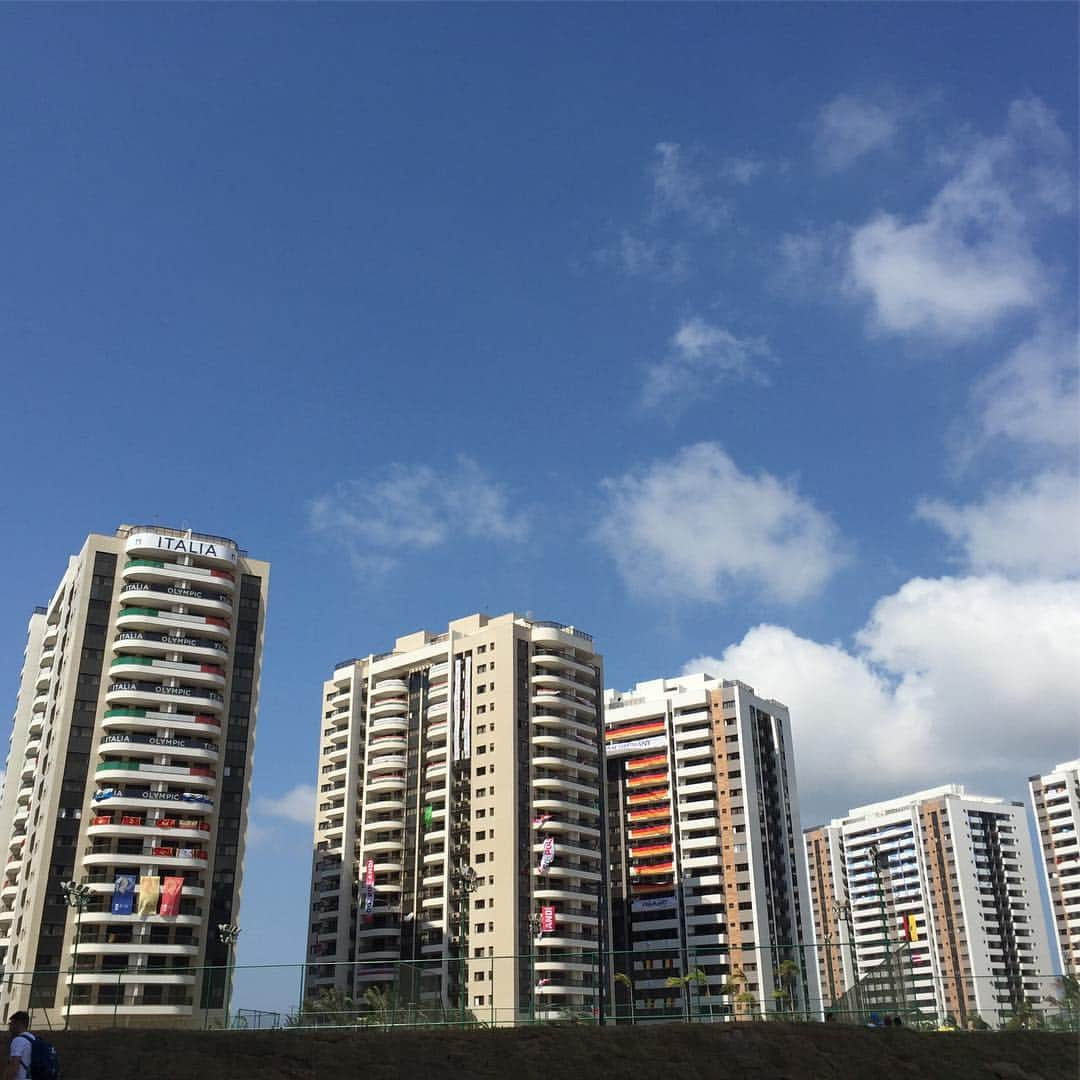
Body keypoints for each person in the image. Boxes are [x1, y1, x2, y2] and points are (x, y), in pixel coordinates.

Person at [5, 1011, 33, 1080]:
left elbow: (14, 1067)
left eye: (11, 1024)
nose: (10, 1027)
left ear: (18, 1024)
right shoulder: (32, 1038)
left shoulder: (18, 1040)